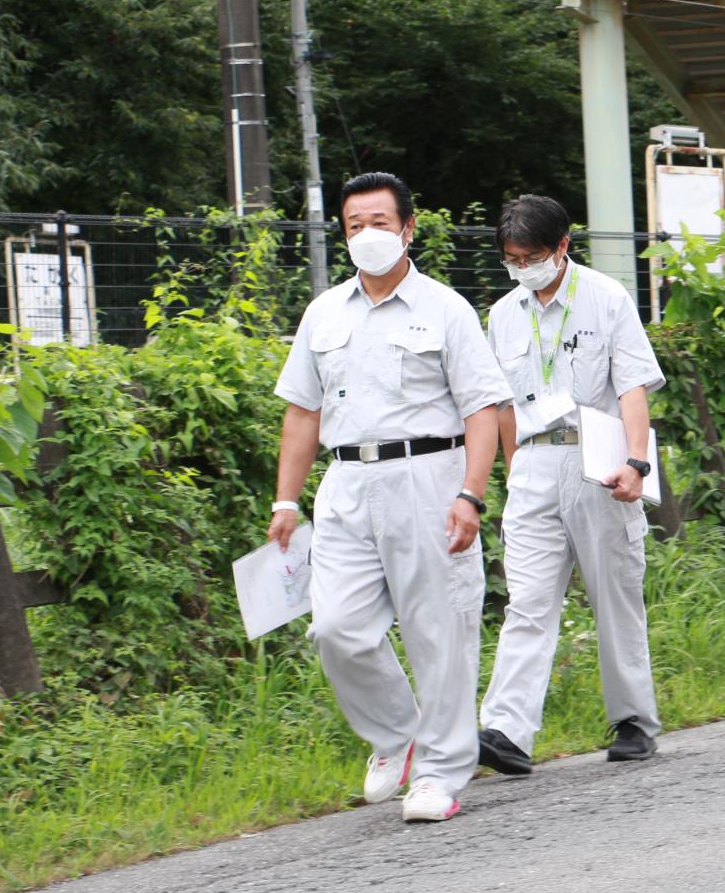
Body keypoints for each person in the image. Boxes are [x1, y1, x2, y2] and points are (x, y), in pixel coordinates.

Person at [267, 172, 508, 824]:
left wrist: (471, 494)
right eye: (354, 226)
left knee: (441, 630)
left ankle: (441, 770)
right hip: (345, 484)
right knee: (337, 627)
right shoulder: (323, 313)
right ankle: (398, 733)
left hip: (428, 476)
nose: (367, 235)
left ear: (408, 227)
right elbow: (301, 413)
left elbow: (483, 408)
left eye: (379, 222)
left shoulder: (446, 309)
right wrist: (285, 501)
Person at [476, 195, 666, 777]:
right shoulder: (503, 313)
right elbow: (502, 405)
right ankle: (506, 728)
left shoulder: (606, 299)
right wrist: (511, 474)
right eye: (511, 259)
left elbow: (632, 385)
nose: (522, 268)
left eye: (532, 256)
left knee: (614, 594)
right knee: (528, 603)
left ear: (563, 247)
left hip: (598, 462)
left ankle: (633, 719)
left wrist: (637, 463)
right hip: (533, 465)